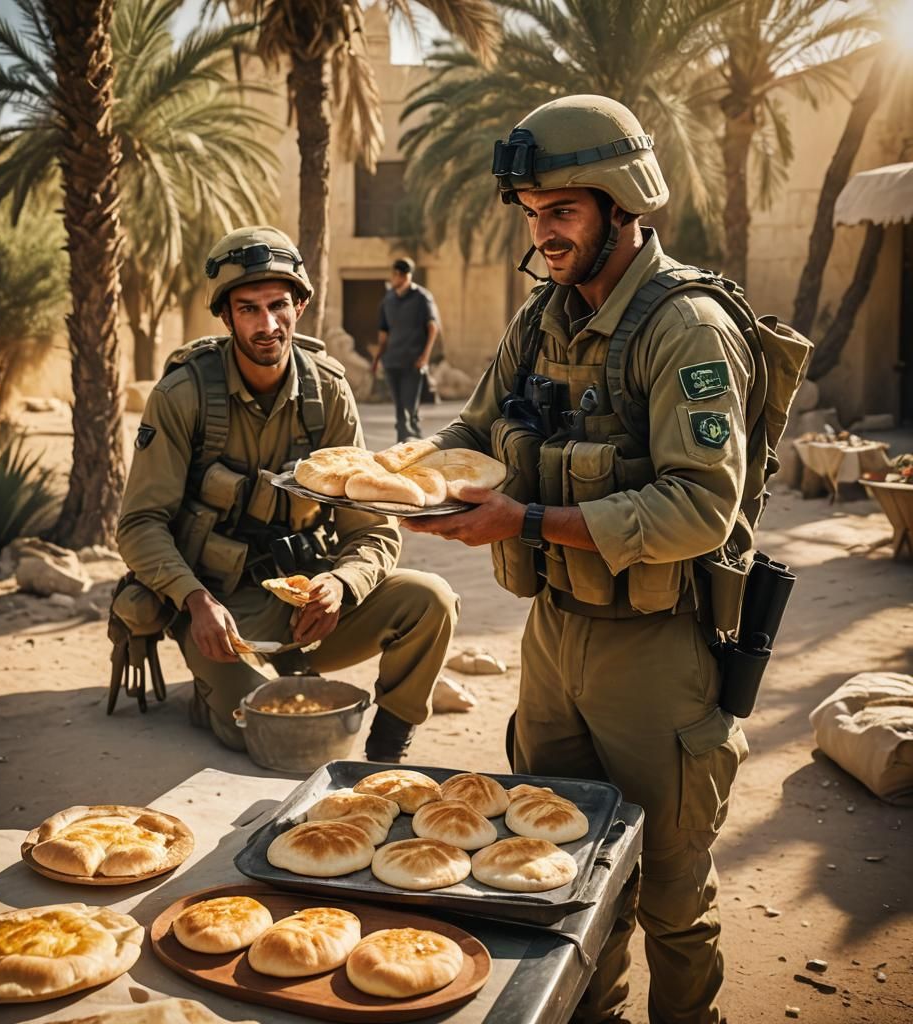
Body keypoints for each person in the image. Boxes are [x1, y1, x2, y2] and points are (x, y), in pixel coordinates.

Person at [403, 95, 767, 1024]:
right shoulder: (542, 319)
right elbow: (475, 428)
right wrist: (401, 479)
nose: (544, 233)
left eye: (561, 211)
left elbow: (700, 508)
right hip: (553, 639)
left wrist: (524, 520)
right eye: (533, 215)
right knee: (549, 881)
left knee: (672, 901)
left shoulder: (686, 328)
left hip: (656, 649)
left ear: (621, 206)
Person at [116, 226, 458, 763]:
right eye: (248, 309)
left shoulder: (328, 391)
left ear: (300, 304)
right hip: (222, 607)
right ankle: (221, 692)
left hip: (312, 599)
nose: (267, 324)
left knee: (431, 599)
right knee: (263, 730)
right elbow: (139, 524)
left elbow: (372, 524)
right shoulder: (183, 396)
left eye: (279, 305)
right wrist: (194, 600)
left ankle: (388, 745)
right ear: (226, 316)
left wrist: (341, 585)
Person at [371, 257, 440, 443]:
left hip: (413, 362)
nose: (395, 277)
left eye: (398, 274)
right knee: (400, 409)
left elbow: (433, 327)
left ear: (404, 275)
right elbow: (383, 333)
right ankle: (405, 445)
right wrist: (377, 359)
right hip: (392, 361)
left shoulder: (422, 297)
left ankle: (411, 443)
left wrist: (425, 357)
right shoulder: (388, 299)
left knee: (410, 408)